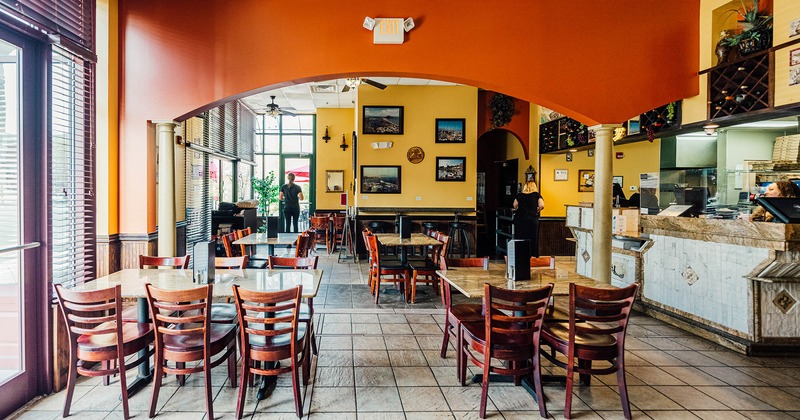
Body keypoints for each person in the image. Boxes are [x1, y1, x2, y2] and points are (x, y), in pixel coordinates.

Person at [513, 180, 545, 257]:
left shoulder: (520, 195)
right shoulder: (536, 195)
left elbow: (514, 205)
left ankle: (520, 254)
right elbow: (542, 205)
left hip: (520, 218)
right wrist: (536, 209)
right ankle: (532, 255)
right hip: (532, 218)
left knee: (520, 236)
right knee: (532, 237)